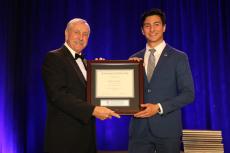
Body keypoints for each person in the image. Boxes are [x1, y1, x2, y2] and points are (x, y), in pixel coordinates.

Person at [42, 18, 120, 153]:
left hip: (86, 138)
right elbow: (58, 96)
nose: (81, 37)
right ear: (66, 34)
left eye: (85, 34)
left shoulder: (85, 62)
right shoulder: (54, 57)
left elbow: (86, 93)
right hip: (64, 140)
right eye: (76, 32)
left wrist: (100, 73)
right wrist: (92, 110)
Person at [128, 9, 195, 153]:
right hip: (139, 132)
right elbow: (126, 94)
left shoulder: (178, 57)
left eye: (156, 24)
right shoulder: (134, 59)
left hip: (168, 131)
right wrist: (129, 71)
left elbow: (189, 94)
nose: (152, 29)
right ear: (142, 30)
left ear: (164, 27)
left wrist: (158, 107)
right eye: (147, 25)